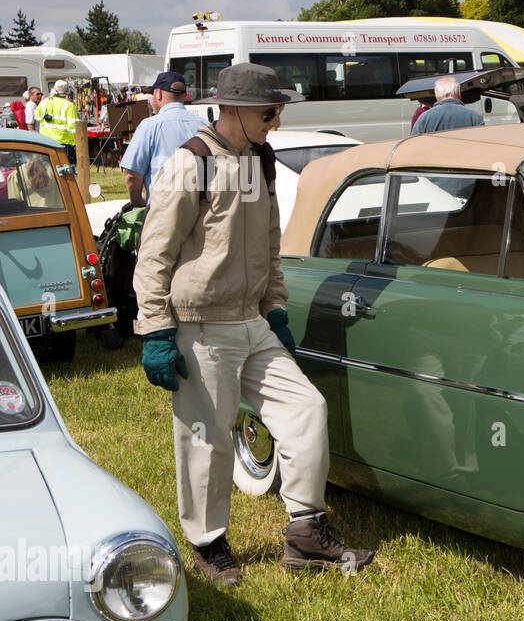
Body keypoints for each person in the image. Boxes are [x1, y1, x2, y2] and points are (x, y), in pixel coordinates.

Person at [133, 62, 374, 586]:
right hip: (199, 325)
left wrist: (276, 308)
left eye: (279, 111)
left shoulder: (258, 161)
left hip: (251, 322)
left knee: (307, 409)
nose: (277, 122)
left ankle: (306, 534)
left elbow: (270, 245)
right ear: (236, 110)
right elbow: (154, 255)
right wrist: (154, 330)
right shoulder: (189, 164)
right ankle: (207, 544)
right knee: (208, 439)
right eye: (270, 112)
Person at [120, 72, 201, 207]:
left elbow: (132, 176)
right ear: (183, 96)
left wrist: (138, 201)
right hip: (199, 212)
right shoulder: (204, 124)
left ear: (158, 94)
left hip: (163, 211)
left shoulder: (149, 126)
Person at [411, 77, 484, 134]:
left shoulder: (424, 118)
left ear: (436, 96)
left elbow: (413, 145)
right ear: (459, 93)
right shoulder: (475, 117)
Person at [35, 80, 79, 163]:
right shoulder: (69, 105)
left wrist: (45, 116)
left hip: (46, 139)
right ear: (66, 92)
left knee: (48, 165)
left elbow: (37, 117)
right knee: (63, 166)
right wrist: (76, 142)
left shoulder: (44, 102)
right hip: (63, 141)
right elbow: (73, 127)